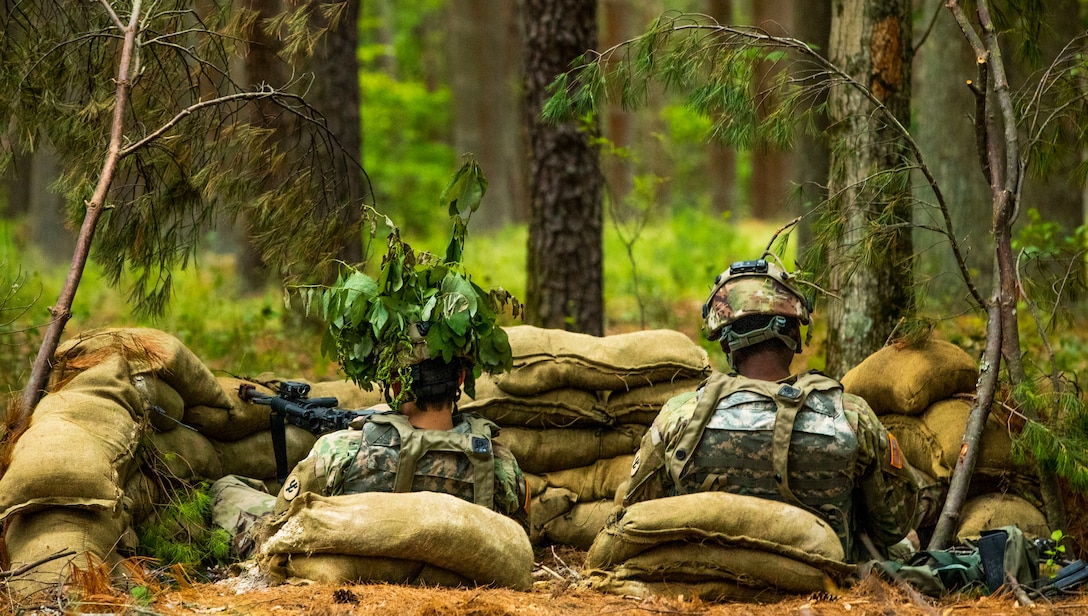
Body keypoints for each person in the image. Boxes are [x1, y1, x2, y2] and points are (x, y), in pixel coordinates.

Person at [620, 256, 920, 562]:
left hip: (706, 575)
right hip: (823, 582)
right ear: (793, 335)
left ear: (726, 345)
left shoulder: (680, 415)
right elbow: (894, 524)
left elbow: (636, 509)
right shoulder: (851, 416)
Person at [211, 323, 530, 558]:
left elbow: (282, 521)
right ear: (461, 378)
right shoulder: (498, 462)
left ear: (395, 383)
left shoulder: (342, 450)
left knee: (226, 488)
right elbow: (519, 537)